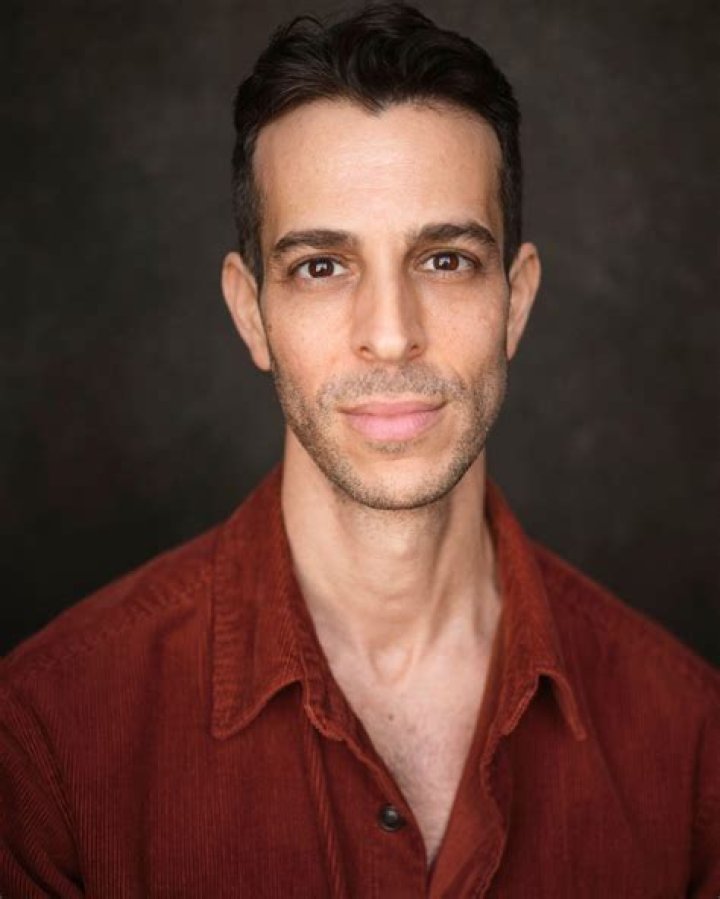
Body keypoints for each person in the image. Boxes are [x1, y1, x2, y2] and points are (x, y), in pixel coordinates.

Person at [1, 4, 718, 897]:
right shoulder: (43, 743)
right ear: (251, 314)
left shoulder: (693, 747)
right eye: (321, 266)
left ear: (517, 303)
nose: (389, 334)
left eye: (445, 259)